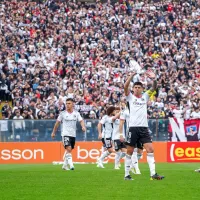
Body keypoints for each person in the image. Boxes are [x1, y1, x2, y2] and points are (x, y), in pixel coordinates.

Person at [123, 71, 164, 180]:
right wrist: (131, 76)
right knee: (130, 151)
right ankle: (126, 174)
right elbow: (125, 86)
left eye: (138, 87)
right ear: (133, 89)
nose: (136, 89)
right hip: (133, 128)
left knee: (150, 149)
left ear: (142, 89)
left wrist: (154, 78)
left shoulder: (145, 97)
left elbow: (154, 88)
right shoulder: (130, 97)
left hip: (144, 128)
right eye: (135, 87)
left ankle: (153, 174)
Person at [51, 98, 86, 171]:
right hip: (65, 134)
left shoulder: (76, 113)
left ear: (73, 104)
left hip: (73, 134)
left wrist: (83, 126)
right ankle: (71, 165)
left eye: (69, 103)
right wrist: (53, 132)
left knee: (69, 150)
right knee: (68, 148)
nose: (67, 105)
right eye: (66, 103)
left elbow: (81, 120)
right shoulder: (62, 113)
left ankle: (64, 166)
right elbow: (57, 123)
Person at [119, 106, 143, 175]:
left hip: (140, 131)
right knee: (134, 150)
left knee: (140, 152)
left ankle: (132, 166)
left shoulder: (138, 109)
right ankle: (137, 169)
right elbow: (121, 123)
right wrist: (121, 134)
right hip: (130, 132)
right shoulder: (125, 111)